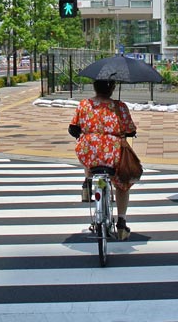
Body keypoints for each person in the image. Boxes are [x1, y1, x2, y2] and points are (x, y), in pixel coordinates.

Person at [68, 78, 137, 240]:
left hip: (89, 152)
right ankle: (121, 223)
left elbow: (73, 128)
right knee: (122, 183)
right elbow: (130, 130)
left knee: (89, 149)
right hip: (113, 153)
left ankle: (87, 181)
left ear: (95, 87)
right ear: (112, 88)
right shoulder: (120, 107)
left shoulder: (84, 104)